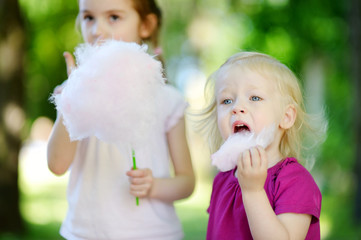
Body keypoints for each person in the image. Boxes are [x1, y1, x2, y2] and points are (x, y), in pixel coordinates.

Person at [47, 0, 195, 239]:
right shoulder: (70, 92)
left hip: (154, 233)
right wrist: (73, 98)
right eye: (88, 17)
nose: (97, 30)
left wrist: (154, 186)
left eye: (114, 17)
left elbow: (187, 182)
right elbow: (57, 165)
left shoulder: (169, 100)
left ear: (146, 26)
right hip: (86, 233)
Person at [196, 51, 325, 239]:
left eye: (254, 98)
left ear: (286, 117)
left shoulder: (295, 182)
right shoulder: (222, 181)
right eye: (227, 100)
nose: (237, 107)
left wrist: (253, 191)